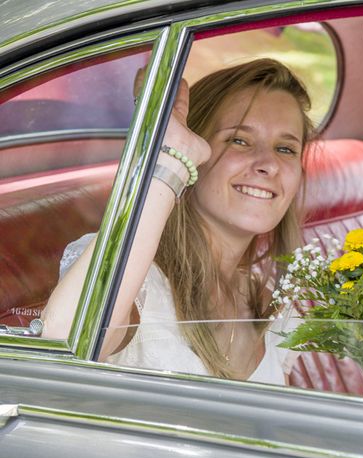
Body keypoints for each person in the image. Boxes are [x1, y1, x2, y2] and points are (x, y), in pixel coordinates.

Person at [42, 59, 314, 384]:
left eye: (285, 148)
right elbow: (64, 343)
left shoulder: (276, 311)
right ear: (195, 149)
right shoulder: (137, 281)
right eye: (239, 140)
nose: (268, 164)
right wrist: (170, 159)